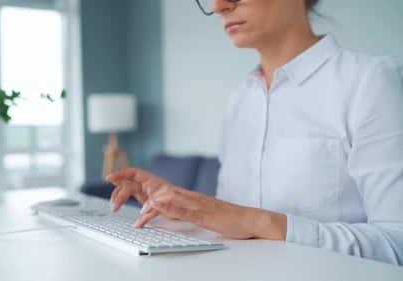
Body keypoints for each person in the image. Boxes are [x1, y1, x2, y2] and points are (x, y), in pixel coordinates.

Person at [106, 0, 403, 265]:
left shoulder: (370, 81)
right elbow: (232, 222)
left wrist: (261, 223)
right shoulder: (241, 98)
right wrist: (186, 207)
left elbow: (397, 243)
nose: (220, 5)